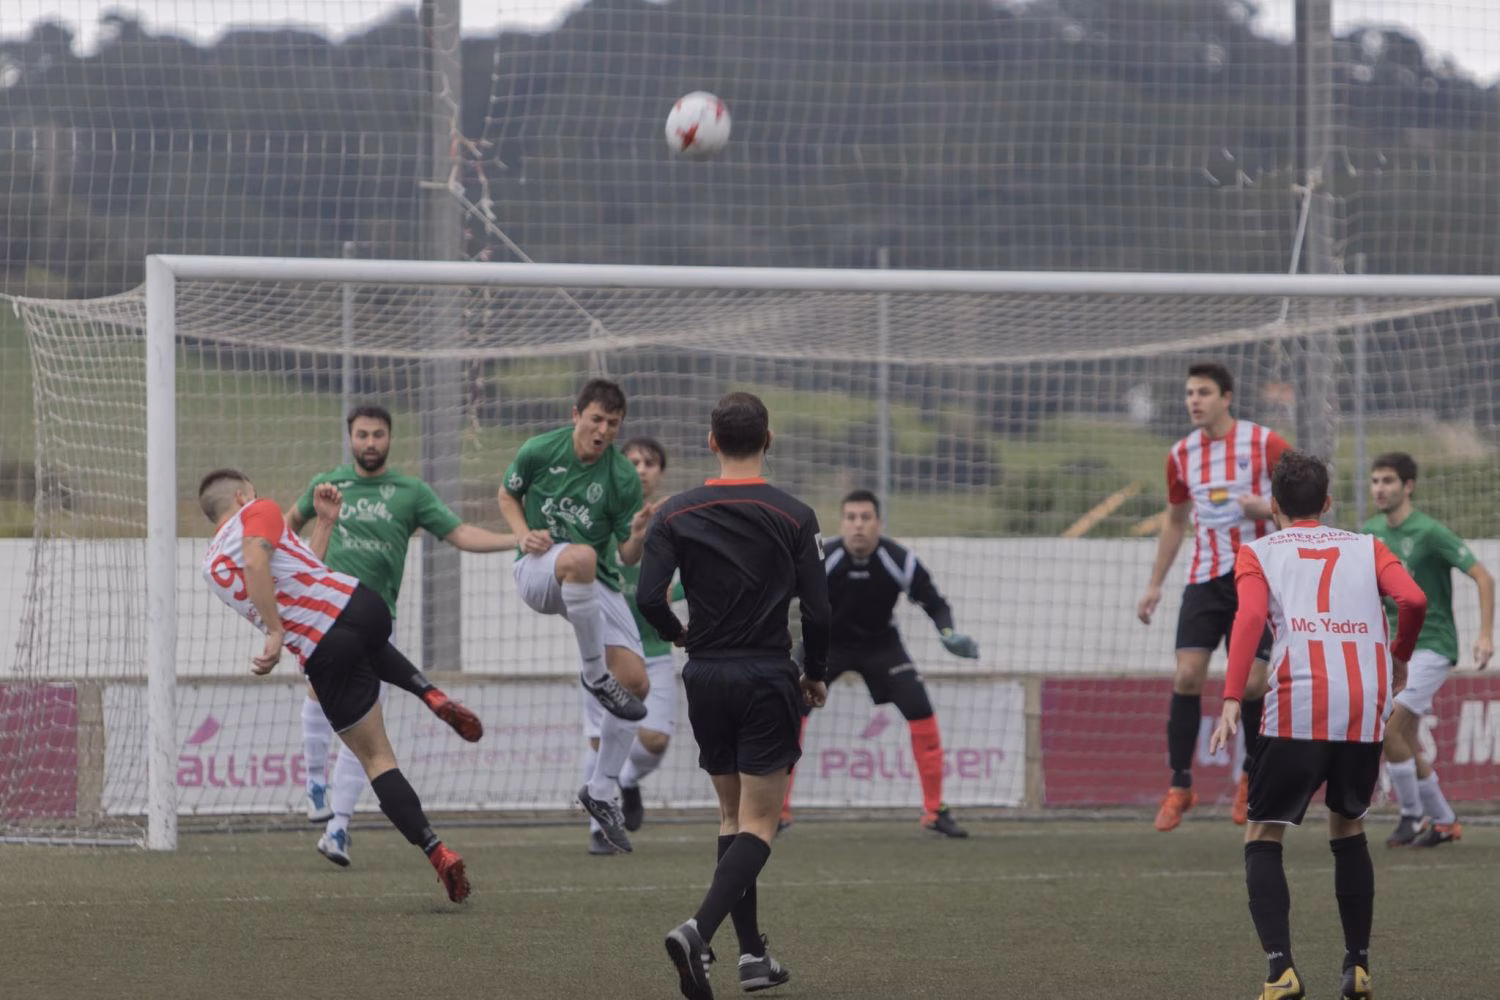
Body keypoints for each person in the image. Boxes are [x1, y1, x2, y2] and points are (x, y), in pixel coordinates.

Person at [197, 469, 475, 903]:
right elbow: (292, 569)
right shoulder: (261, 509)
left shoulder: (210, 567)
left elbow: (265, 569)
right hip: (362, 605)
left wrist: (273, 632)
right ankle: (429, 692)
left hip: (324, 648)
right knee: (368, 644)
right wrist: (324, 524)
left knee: (377, 759)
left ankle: (436, 850)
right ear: (241, 495)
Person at [1209, 450, 1425, 1000]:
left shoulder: (1257, 551)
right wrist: (1400, 654)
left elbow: (1251, 618)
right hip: (1364, 703)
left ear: (1274, 507)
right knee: (1348, 827)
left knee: (1262, 832)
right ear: (1327, 504)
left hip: (1299, 704)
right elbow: (1413, 598)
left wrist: (1233, 695)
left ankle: (1280, 970)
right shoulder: (1367, 545)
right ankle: (1357, 967)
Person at [638, 391, 830, 1000]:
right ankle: (698, 930)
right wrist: (816, 671)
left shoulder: (674, 513)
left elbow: (648, 599)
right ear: (768, 439)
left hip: (705, 676)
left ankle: (751, 957)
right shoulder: (796, 515)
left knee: (731, 816)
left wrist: (680, 635)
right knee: (761, 823)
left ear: (711, 440)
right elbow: (820, 611)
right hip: (766, 676)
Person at [287, 404, 515, 867]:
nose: (370, 442)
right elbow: (286, 528)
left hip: (371, 617)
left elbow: (460, 532)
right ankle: (321, 796)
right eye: (362, 434)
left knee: (360, 724)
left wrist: (517, 539)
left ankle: (336, 823)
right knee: (346, 714)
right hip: (325, 617)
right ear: (349, 438)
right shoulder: (327, 485)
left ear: (391, 439)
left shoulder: (409, 492)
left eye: (378, 434)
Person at [498, 378, 661, 853]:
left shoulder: (622, 479)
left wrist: (638, 533)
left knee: (636, 685)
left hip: (594, 582)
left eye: (613, 424)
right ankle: (594, 676)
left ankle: (602, 789)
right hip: (538, 571)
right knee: (581, 558)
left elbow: (628, 558)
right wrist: (522, 534)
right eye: (596, 419)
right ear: (576, 415)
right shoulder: (538, 450)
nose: (603, 430)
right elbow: (507, 494)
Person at [1137, 361, 1286, 831]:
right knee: (1187, 675)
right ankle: (1181, 785)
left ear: (1226, 397)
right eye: (1188, 394)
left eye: (1203, 392)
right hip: (1205, 578)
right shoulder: (1180, 454)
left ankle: (1251, 777)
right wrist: (1155, 583)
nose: (1193, 401)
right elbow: (1176, 520)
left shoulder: (1265, 443)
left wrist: (1266, 507)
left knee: (1253, 685)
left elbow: (1308, 499)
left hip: (1257, 576)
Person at [781, 489, 979, 838]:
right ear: (842, 523)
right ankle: (776, 811)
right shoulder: (821, 558)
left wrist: (948, 632)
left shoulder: (899, 560)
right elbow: (780, 593)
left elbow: (935, 602)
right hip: (825, 645)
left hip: (881, 645)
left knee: (921, 710)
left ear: (878, 523)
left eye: (866, 518)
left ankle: (935, 812)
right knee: (785, 709)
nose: (858, 526)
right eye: (851, 518)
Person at [1363, 451, 1493, 848]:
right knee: (1402, 736)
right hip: (1395, 648)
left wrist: (1485, 634)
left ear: (1408, 486)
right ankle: (1444, 820)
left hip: (1433, 646)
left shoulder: (1431, 532)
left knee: (1389, 729)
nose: (1379, 488)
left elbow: (1483, 577)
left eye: (1388, 481)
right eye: (1374, 481)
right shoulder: (1369, 532)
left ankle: (1411, 815)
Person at [585, 436, 685, 854]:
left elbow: (688, 578)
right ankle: (600, 830)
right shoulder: (600, 515)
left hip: (656, 651)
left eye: (649, 462)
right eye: (633, 461)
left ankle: (625, 781)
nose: (641, 468)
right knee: (598, 739)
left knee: (656, 740)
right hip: (606, 647)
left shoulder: (675, 520)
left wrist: (671, 596)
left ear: (660, 471)